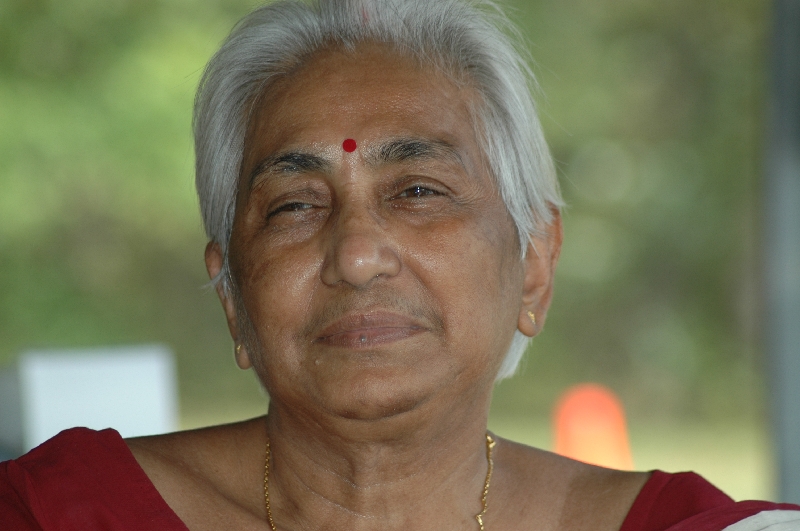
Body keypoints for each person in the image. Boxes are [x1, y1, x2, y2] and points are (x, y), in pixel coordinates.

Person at [2, 0, 799, 530]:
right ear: (232, 297)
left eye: (418, 190)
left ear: (533, 263)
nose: (356, 255)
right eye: (295, 205)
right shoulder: (62, 513)